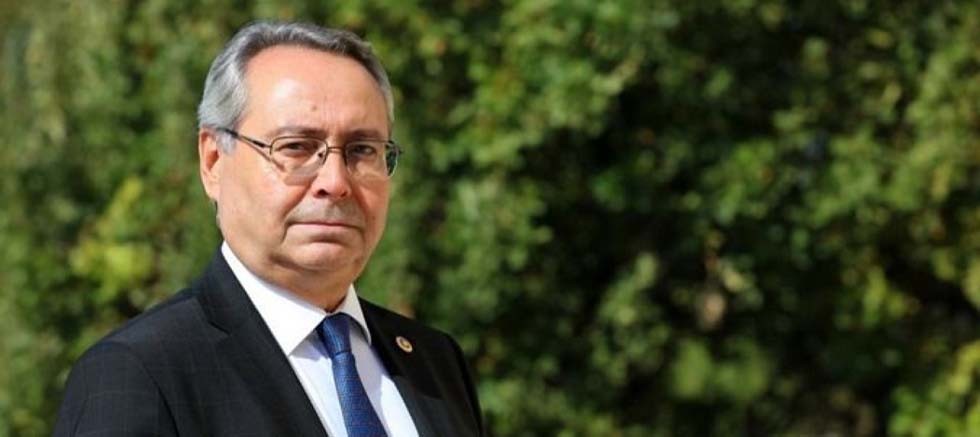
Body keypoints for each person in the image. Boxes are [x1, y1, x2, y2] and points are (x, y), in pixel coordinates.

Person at [53, 21, 483, 437]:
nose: (335, 182)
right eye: (296, 147)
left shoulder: (434, 362)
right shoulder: (140, 373)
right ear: (213, 161)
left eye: (361, 150)